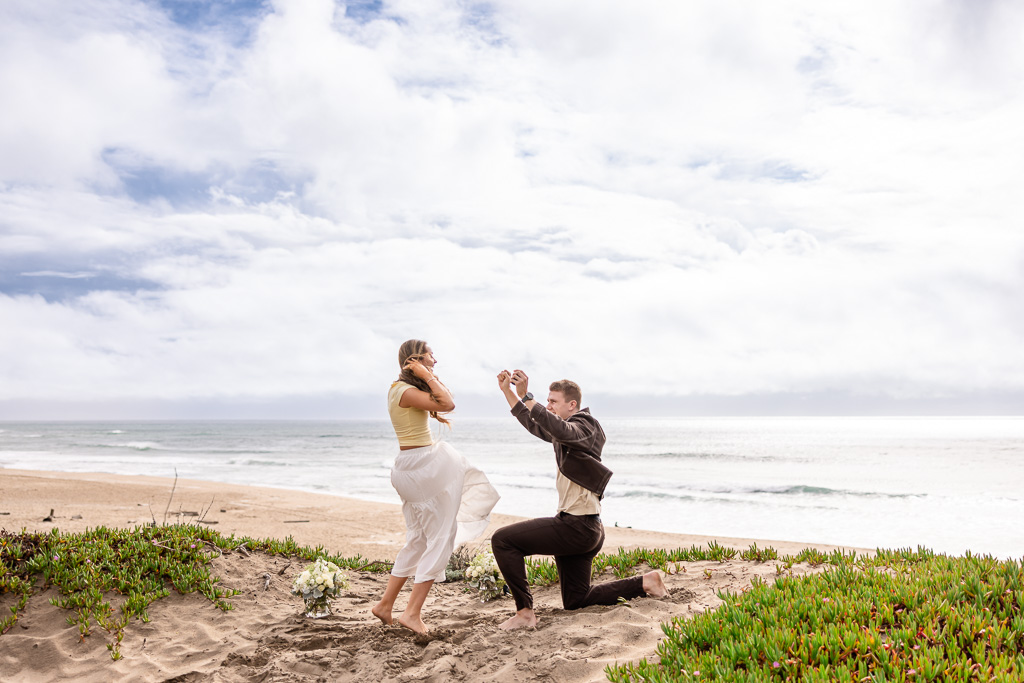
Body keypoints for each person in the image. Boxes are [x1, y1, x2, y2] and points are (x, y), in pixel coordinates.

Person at [491, 369, 667, 630]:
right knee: (577, 600)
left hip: (578, 525)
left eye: (553, 401)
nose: (548, 406)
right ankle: (646, 582)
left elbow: (559, 427)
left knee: (503, 540)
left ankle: (525, 612)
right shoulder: (564, 433)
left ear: (572, 404)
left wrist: (527, 396)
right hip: (583, 527)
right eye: (547, 401)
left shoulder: (586, 426)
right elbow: (535, 423)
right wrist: (508, 392)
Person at [372, 340, 499, 634]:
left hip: (410, 467)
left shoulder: (399, 389)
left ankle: (385, 606)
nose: (435, 360)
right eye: (431, 355)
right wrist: (427, 375)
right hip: (421, 467)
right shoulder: (405, 391)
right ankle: (412, 613)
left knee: (418, 539)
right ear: (416, 359)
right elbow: (448, 404)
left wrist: (426, 374)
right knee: (442, 537)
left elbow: (444, 398)